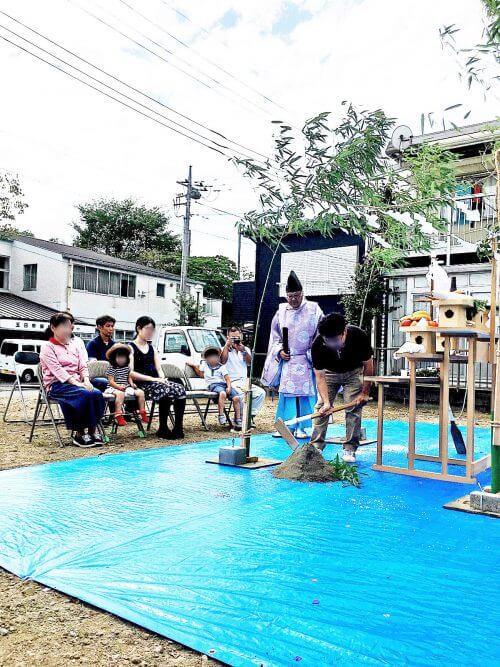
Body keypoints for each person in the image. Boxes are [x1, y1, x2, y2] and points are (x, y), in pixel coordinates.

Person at [262, 271, 323, 438]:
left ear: (302, 294)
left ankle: (304, 427)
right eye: (290, 296)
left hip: (307, 358)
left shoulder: (314, 309)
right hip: (288, 359)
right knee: (287, 395)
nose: (293, 299)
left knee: (305, 395)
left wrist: (312, 353)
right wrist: (280, 351)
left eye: (296, 295)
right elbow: (275, 336)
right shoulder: (281, 311)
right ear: (286, 296)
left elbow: (321, 334)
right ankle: (285, 427)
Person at [310, 312, 374, 463]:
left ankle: (350, 448)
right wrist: (327, 403)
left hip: (353, 372)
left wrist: (365, 393)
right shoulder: (318, 345)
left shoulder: (358, 336)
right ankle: (316, 447)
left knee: (353, 407)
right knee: (321, 408)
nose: (332, 344)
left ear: (344, 331)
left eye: (335, 340)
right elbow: (320, 377)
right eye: (328, 341)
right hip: (330, 373)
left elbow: (369, 366)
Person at [40, 312, 106, 448]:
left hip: (77, 383)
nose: (68, 329)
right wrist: (77, 384)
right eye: (64, 326)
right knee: (84, 394)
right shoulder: (47, 347)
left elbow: (82, 366)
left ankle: (92, 431)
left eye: (70, 326)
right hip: (57, 385)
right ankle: (79, 434)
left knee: (96, 393)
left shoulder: (74, 345)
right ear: (53, 328)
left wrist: (86, 381)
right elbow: (58, 370)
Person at [129, 316, 186, 439]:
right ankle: (163, 428)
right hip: (140, 384)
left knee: (179, 388)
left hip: (155, 382)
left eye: (152, 330)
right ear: (139, 328)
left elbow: (159, 369)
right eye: (148, 329)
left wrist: (163, 378)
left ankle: (178, 428)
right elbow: (130, 373)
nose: (150, 332)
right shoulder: (130, 348)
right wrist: (154, 379)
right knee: (165, 390)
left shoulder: (152, 348)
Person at [220, 326, 265, 428]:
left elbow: (250, 363)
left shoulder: (245, 349)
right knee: (241, 394)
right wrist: (227, 346)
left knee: (261, 393)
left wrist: (243, 351)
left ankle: (249, 417)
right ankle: (239, 419)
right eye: (232, 338)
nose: (235, 340)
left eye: (237, 337)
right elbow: (222, 361)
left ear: (241, 336)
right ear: (228, 337)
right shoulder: (223, 349)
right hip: (231, 382)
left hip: (244, 381)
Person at [188, 346, 242, 430]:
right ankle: (221, 415)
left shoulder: (222, 367)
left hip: (223, 384)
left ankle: (238, 419)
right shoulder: (205, 365)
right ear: (206, 359)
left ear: (218, 358)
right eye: (210, 357)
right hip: (213, 385)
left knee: (236, 398)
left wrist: (229, 387)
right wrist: (194, 366)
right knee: (222, 393)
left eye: (215, 357)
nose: (213, 359)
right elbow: (201, 374)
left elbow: (227, 378)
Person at [104, 343, 149, 427]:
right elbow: (111, 381)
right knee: (120, 394)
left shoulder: (127, 368)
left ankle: (142, 411)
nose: (122, 360)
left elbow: (129, 377)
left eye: (123, 357)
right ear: (114, 358)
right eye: (119, 357)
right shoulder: (112, 368)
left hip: (125, 387)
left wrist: (132, 384)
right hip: (113, 388)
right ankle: (118, 414)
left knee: (140, 392)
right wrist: (118, 387)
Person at [86, 315, 116, 392]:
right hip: (97, 376)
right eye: (108, 326)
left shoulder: (115, 345)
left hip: (113, 375)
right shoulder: (92, 344)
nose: (111, 329)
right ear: (99, 327)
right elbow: (93, 365)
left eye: (112, 326)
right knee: (107, 382)